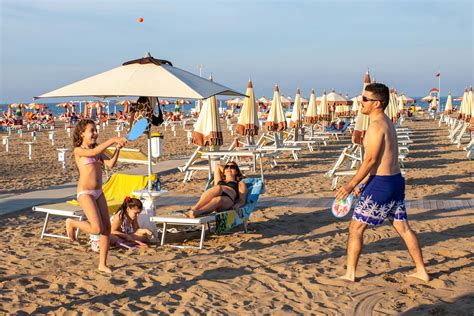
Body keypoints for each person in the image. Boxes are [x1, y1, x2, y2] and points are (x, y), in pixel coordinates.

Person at [335, 83, 429, 282]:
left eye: (365, 99)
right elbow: (381, 160)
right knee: (403, 228)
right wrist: (366, 182)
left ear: (377, 103)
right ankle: (421, 270)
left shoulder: (377, 126)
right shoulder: (386, 122)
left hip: (383, 184)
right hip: (394, 181)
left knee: (355, 228)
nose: (361, 102)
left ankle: (350, 274)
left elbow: (370, 160)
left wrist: (351, 184)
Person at [65, 119, 127, 273]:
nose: (95, 133)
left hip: (99, 192)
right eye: (91, 130)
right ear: (82, 133)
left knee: (106, 228)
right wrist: (113, 139)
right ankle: (72, 223)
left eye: (95, 130)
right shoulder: (78, 150)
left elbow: (110, 164)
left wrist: (117, 149)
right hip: (85, 193)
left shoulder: (98, 151)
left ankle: (102, 264)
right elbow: (92, 153)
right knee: (97, 228)